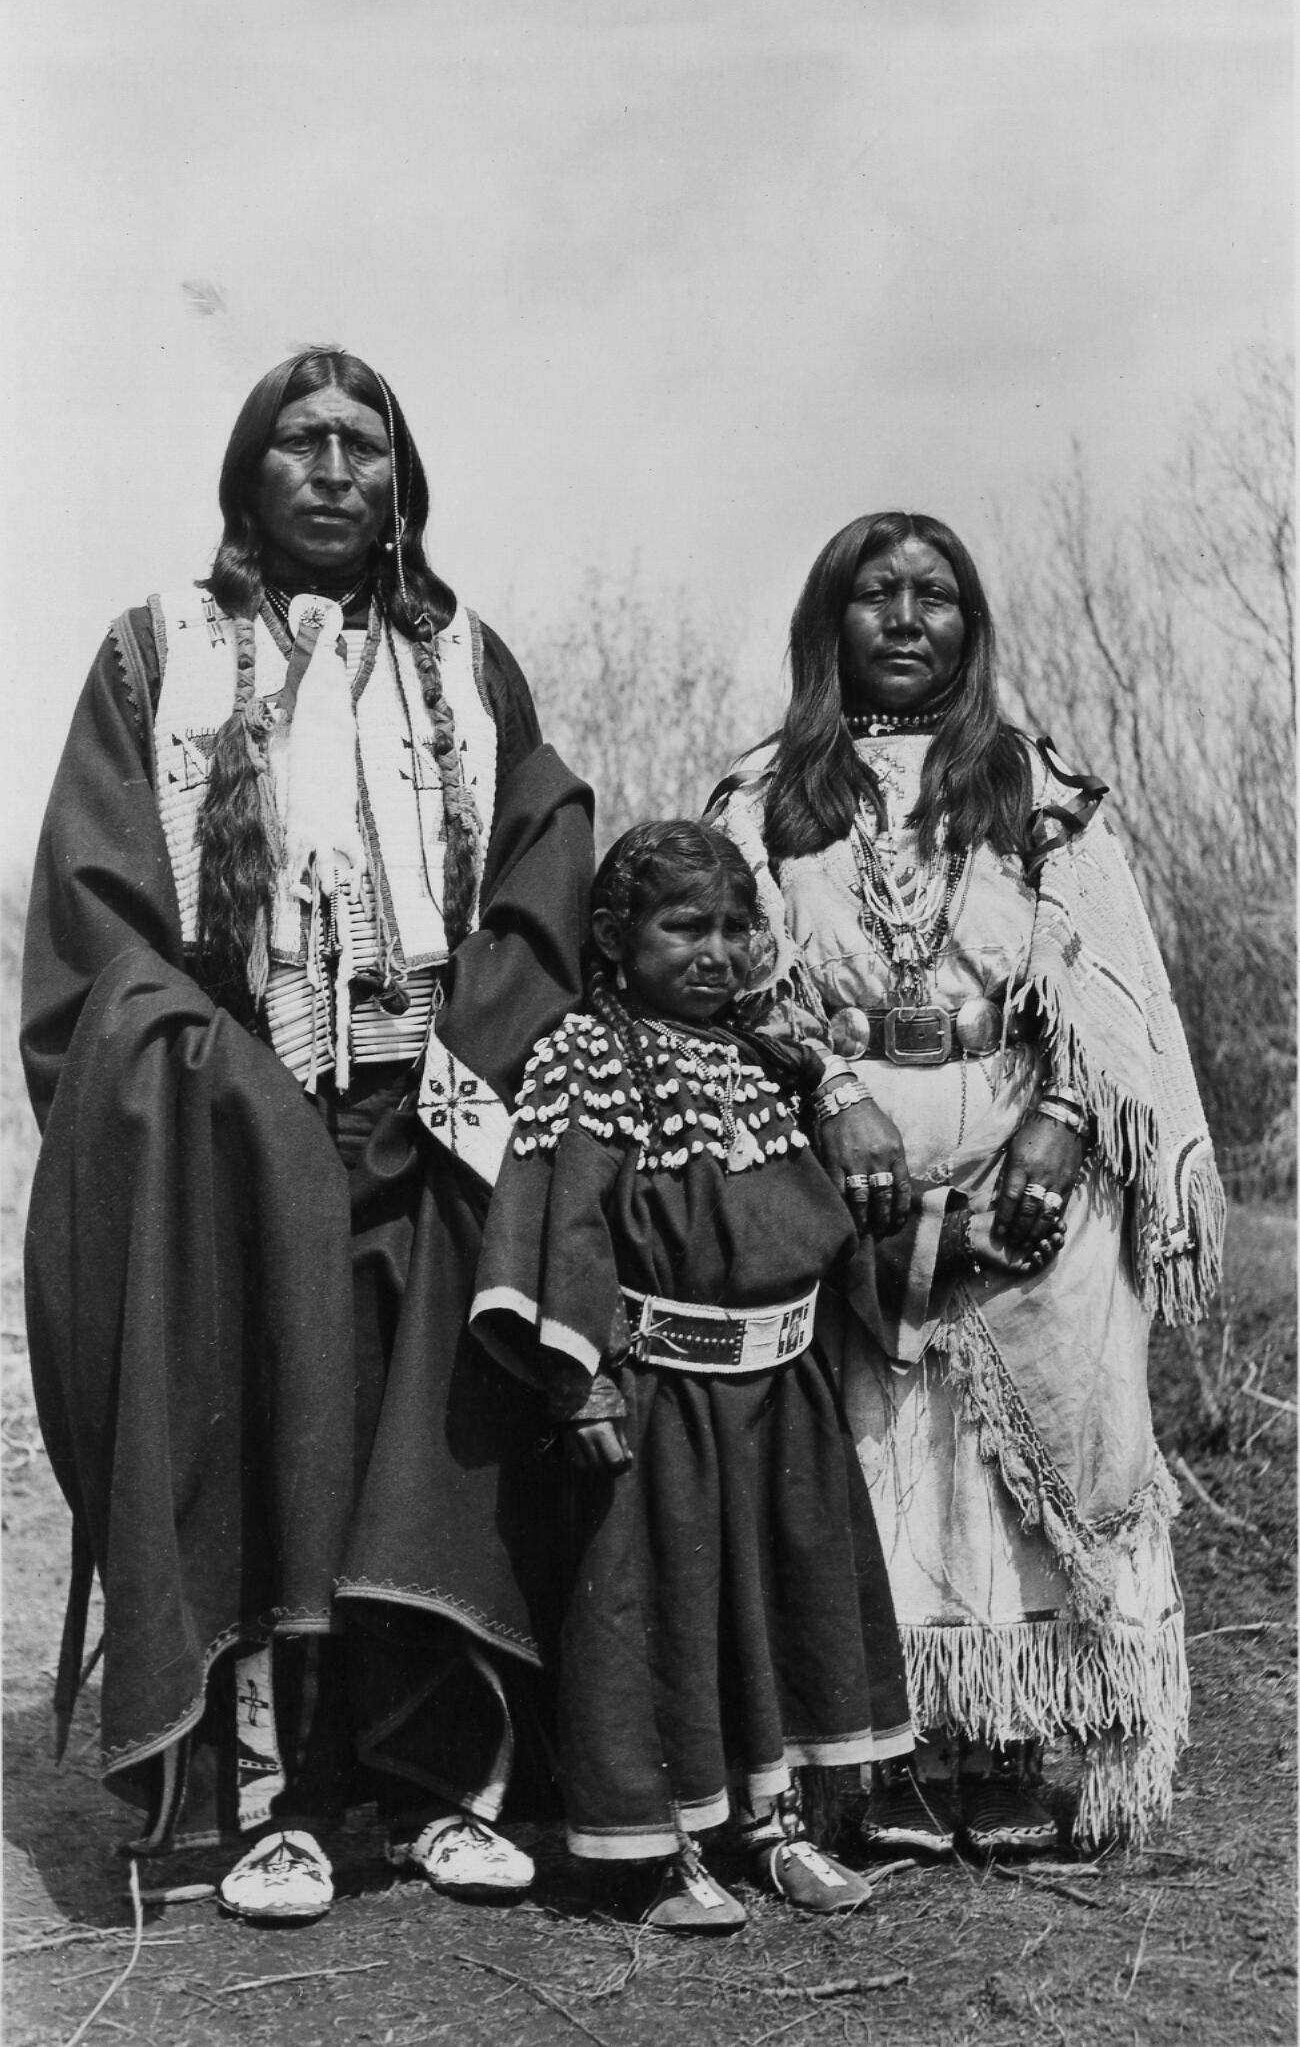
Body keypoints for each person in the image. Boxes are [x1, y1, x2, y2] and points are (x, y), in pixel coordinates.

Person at [21, 349, 593, 1921]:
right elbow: (97, 913)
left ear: (404, 483)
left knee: (435, 1434)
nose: (337, 467)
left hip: (437, 1117)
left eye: (367, 443)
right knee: (265, 1423)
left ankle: (434, 1787)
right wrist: (217, 1075)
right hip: (233, 1123)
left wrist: (471, 1057)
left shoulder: (468, 662)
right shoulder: (158, 654)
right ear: (246, 474)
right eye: (303, 440)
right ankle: (267, 1801)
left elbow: (543, 854)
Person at [706, 512, 1223, 1857]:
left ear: (970, 621)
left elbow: (1107, 979)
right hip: (849, 1174)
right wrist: (826, 1086)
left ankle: (1024, 1742)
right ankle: (890, 1750)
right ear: (830, 622)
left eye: (935, 593)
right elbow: (717, 969)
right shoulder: (764, 795)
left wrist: (1060, 1122)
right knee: (885, 1456)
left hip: (1027, 1154)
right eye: (873, 593)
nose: (905, 615)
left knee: (1031, 1465)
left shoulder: (1039, 786)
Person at [470, 820, 914, 1931]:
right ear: (617, 939)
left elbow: (826, 1221)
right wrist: (585, 1382)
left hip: (783, 1398)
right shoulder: (590, 1055)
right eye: (683, 927)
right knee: (658, 1608)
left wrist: (932, 1240)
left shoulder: (774, 1058)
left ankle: (772, 1827)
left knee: (776, 1603)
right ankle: (657, 1849)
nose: (713, 951)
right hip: (661, 1398)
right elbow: (561, 1225)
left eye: (732, 928)